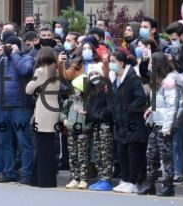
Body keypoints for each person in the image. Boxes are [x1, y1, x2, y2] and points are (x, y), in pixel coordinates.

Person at [0, 35, 35, 184]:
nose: (7, 48)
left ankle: (27, 173)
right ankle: (8, 172)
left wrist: (14, 54)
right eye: (5, 46)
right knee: (3, 141)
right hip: (2, 107)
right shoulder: (1, 60)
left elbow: (24, 71)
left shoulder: (26, 58)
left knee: (23, 142)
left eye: (10, 46)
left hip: (19, 107)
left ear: (17, 47)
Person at [138, 53, 183, 197]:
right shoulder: (156, 79)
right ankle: (150, 184)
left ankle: (168, 185)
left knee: (166, 156)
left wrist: (167, 128)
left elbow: (174, 106)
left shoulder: (171, 81)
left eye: (152, 64)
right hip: (157, 122)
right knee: (151, 154)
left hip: (166, 124)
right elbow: (155, 100)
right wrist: (150, 110)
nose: (149, 67)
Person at [108, 50, 147, 194]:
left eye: (113, 61)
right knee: (121, 152)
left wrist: (129, 108)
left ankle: (133, 181)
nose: (111, 64)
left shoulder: (132, 78)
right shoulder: (113, 79)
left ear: (121, 63)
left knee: (133, 152)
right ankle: (124, 180)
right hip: (119, 122)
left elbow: (141, 98)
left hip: (132, 122)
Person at [26, 47, 60, 188]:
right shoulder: (56, 71)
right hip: (53, 108)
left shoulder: (40, 71)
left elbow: (28, 89)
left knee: (41, 147)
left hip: (43, 109)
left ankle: (41, 180)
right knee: (48, 147)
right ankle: (47, 179)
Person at [85, 62, 114, 191]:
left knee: (105, 152)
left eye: (96, 74)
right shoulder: (90, 90)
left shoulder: (106, 87)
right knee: (97, 152)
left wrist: (98, 115)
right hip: (95, 124)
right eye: (91, 74)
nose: (94, 77)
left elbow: (109, 107)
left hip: (104, 124)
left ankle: (106, 179)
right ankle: (101, 177)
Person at [60, 74, 90, 190]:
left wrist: (86, 125)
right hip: (71, 130)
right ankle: (74, 178)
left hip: (83, 131)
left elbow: (92, 114)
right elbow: (62, 112)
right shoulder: (70, 99)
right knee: (72, 155)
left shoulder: (88, 100)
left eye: (78, 88)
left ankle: (83, 179)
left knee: (83, 155)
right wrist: (64, 120)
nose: (76, 90)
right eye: (75, 87)